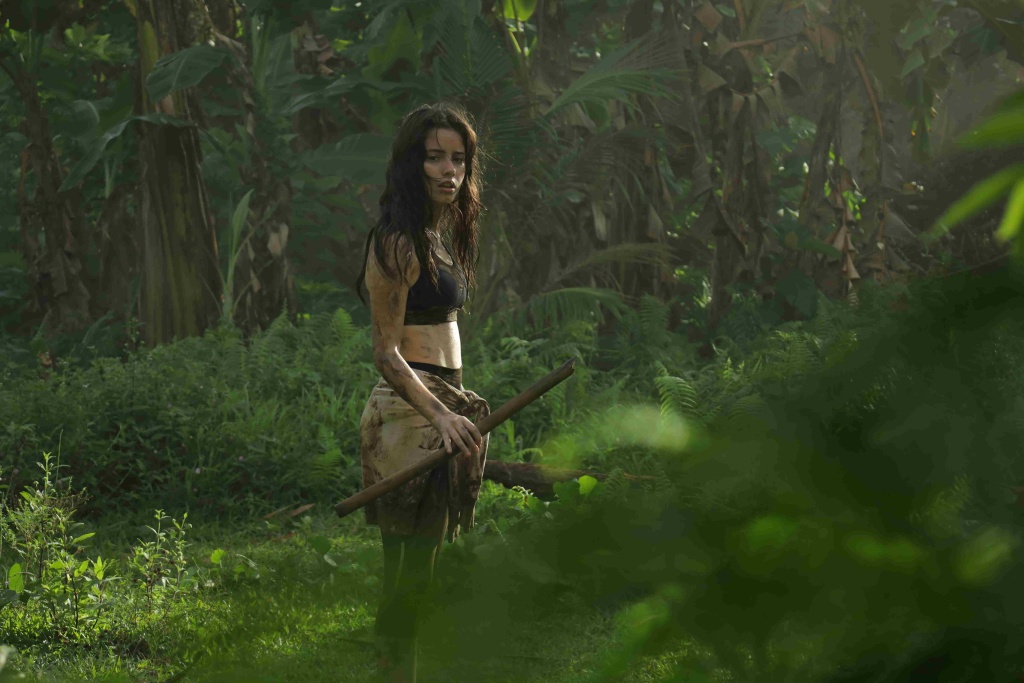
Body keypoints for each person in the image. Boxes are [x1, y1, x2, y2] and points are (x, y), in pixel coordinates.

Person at [353, 102, 490, 683]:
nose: (449, 171)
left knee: (423, 570)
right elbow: (387, 354)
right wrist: (440, 415)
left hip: (439, 409)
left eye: (458, 160)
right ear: (412, 164)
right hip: (410, 415)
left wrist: (451, 411)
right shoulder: (396, 242)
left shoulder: (436, 238)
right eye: (435, 158)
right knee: (406, 573)